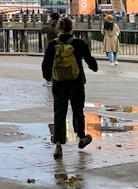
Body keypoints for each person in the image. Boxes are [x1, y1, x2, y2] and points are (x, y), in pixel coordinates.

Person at [41, 17, 98, 159]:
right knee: (78, 110)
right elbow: (89, 59)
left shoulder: (53, 44)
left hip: (59, 83)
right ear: (72, 28)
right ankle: (81, 137)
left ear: (59, 29)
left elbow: (45, 63)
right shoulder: (79, 43)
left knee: (59, 112)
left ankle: (58, 144)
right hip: (76, 81)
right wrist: (94, 67)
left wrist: (49, 77)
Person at [41, 13, 60, 86]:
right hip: (60, 47)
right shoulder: (61, 25)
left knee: (48, 64)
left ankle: (50, 79)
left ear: (51, 19)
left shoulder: (50, 27)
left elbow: (42, 30)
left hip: (51, 47)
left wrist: (46, 23)